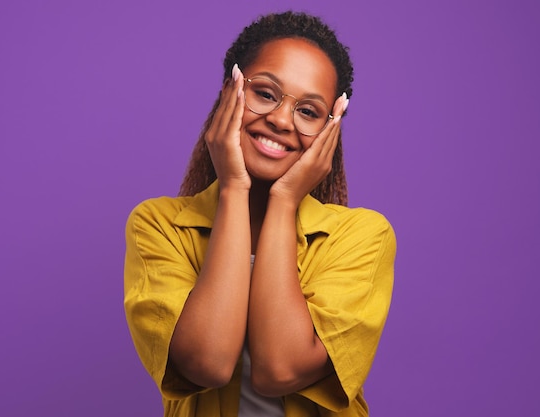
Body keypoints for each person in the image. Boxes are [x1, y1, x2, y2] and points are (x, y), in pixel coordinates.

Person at [124, 11, 396, 417]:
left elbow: (280, 370)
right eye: (265, 94)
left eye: (308, 112)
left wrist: (284, 202)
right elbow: (208, 362)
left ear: (330, 130)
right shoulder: (159, 225)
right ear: (228, 93)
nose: (282, 120)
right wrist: (234, 188)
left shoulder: (362, 236)